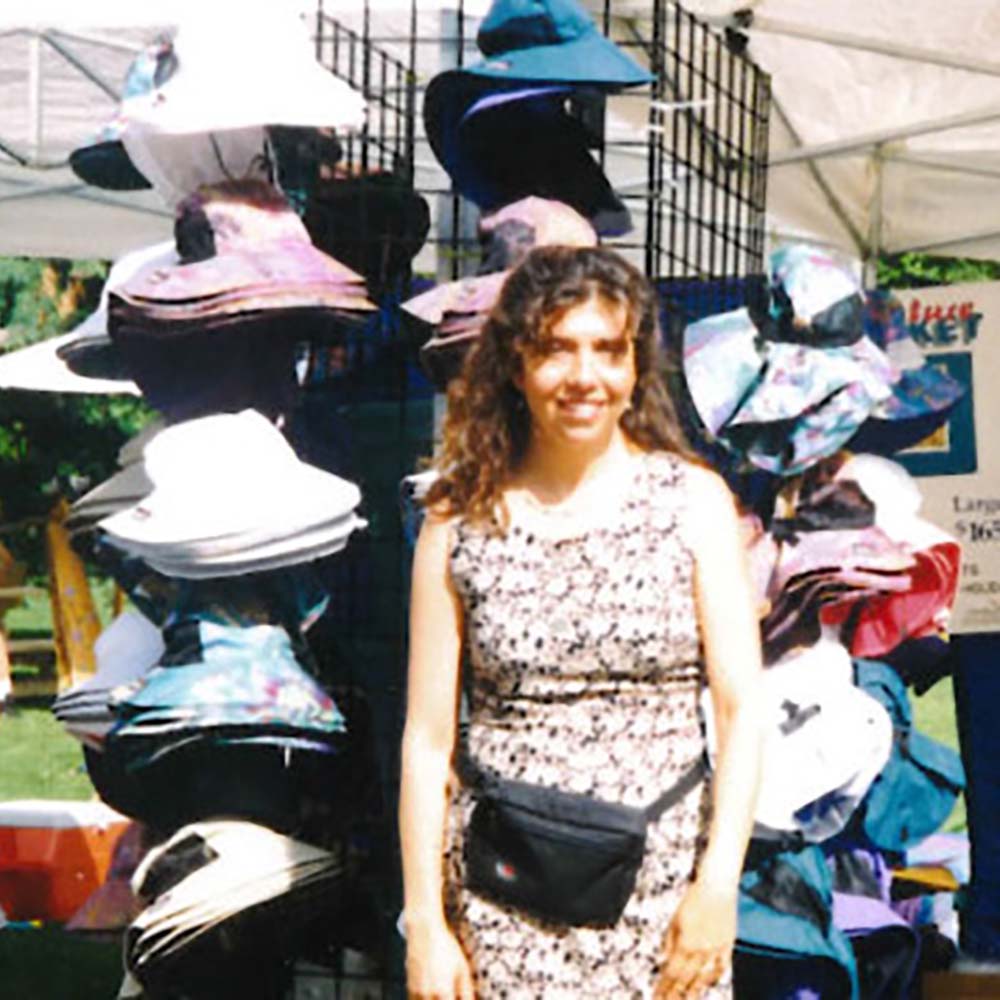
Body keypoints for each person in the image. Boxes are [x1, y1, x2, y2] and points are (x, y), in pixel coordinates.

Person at [400, 246, 763, 999]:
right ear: (515, 363)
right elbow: (428, 739)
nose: (584, 376)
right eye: (557, 349)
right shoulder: (458, 519)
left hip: (663, 898)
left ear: (636, 366)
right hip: (504, 900)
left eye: (607, 349)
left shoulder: (693, 503)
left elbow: (743, 712)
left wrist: (718, 886)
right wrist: (427, 927)